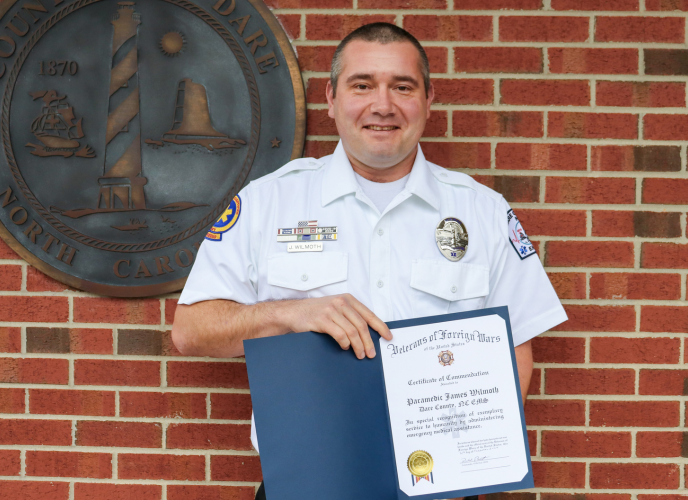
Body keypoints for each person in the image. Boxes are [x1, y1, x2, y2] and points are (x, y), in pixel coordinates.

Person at [171, 22, 567, 500]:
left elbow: (515, 347)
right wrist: (288, 312)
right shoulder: (269, 202)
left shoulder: (481, 211)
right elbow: (190, 330)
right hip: (308, 485)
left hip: (438, 489)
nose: (383, 105)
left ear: (427, 100)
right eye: (363, 86)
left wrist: (471, 457)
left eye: (402, 87)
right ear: (332, 99)